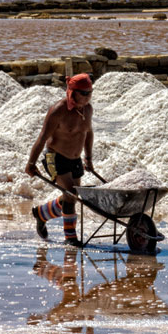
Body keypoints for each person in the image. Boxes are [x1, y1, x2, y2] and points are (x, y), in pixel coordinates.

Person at [25, 73, 96, 245]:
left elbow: (88, 133)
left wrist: (88, 158)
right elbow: (42, 138)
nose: (87, 97)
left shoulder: (88, 109)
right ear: (72, 92)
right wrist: (31, 163)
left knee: (71, 195)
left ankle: (42, 213)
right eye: (83, 93)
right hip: (56, 157)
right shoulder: (58, 111)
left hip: (75, 158)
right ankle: (71, 239)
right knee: (71, 195)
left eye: (90, 93)